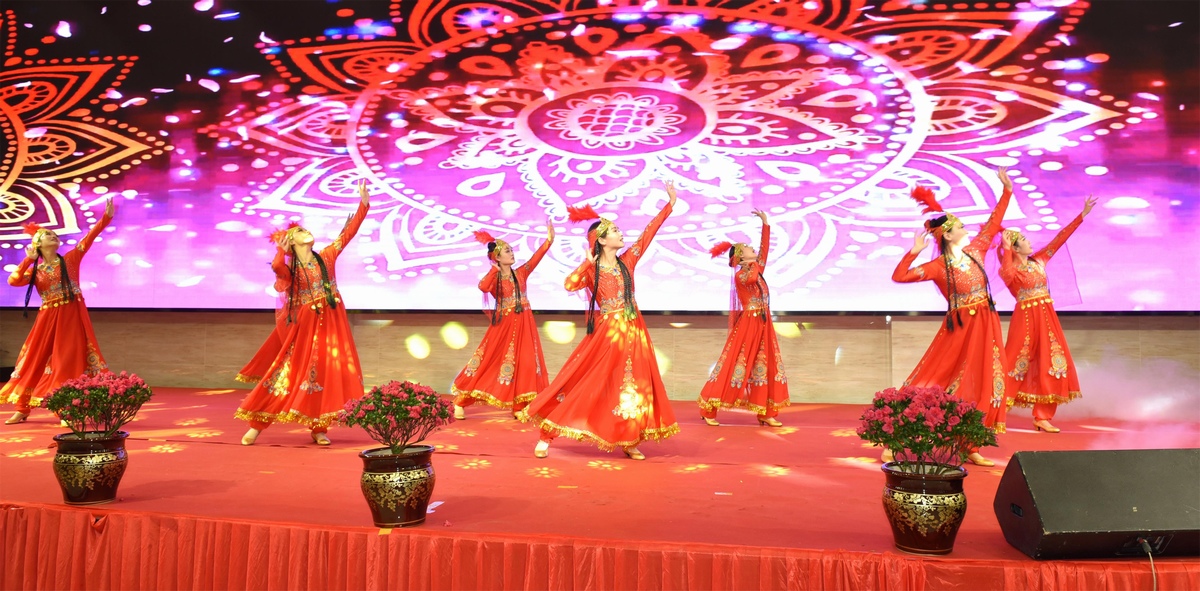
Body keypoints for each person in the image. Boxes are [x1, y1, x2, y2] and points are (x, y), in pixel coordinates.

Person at [519, 181, 680, 460]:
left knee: (633, 382)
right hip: (607, 334)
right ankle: (547, 433)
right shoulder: (591, 269)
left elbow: (648, 233)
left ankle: (629, 438)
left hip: (633, 331)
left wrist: (670, 205)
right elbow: (570, 284)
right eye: (615, 230)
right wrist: (586, 263)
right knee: (586, 382)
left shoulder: (627, 261)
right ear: (602, 240)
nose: (621, 233)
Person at [891, 167, 1015, 466]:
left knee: (985, 377)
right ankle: (897, 435)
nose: (965, 228)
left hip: (986, 322)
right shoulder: (936, 267)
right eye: (959, 226)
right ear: (947, 234)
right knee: (939, 377)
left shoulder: (977, 249)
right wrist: (914, 251)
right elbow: (900, 276)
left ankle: (970, 444)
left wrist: (1007, 191)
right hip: (960, 327)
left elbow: (994, 220)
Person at [235, 180, 370, 446]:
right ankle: (257, 424)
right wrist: (280, 250)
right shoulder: (290, 268)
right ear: (290, 241)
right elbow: (277, 269)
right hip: (304, 328)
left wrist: (363, 204)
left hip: (331, 325)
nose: (305, 231)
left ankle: (319, 428)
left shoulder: (327, 256)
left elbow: (348, 233)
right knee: (287, 372)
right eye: (298, 231)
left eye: (305, 228)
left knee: (325, 373)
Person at [3, 200, 115, 424]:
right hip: (46, 318)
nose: (53, 236)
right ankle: (23, 407)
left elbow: (88, 239)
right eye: (48, 235)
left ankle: (67, 408)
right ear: (38, 243)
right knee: (33, 359)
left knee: (67, 360)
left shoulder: (70, 260)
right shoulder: (36, 271)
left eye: (54, 234)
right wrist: (28, 260)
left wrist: (106, 218)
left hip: (70, 317)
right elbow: (13, 281)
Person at [998, 195, 1096, 433]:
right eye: (1024, 241)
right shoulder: (1008, 270)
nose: (1029, 242)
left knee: (1052, 361)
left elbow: (1059, 239)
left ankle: (1042, 416)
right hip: (1025, 319)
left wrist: (1081, 216)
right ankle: (996, 413)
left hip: (1046, 318)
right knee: (1015, 362)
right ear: (1015, 248)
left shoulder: (1039, 261)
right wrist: (1006, 247)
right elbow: (1007, 272)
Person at [451, 222, 554, 419]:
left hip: (524, 324)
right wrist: (494, 270)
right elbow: (483, 287)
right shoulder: (495, 278)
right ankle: (461, 401)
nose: (512, 253)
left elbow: (536, 258)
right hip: (504, 327)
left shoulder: (521, 273)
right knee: (489, 362)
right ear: (497, 257)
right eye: (507, 251)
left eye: (511, 250)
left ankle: (518, 406)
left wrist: (549, 241)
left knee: (525, 363)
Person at [697, 209, 789, 426]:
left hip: (763, 323)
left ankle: (766, 412)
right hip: (749, 324)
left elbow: (764, 250)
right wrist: (755, 263)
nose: (752, 248)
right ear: (740, 256)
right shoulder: (742, 275)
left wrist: (766, 224)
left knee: (766, 364)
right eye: (747, 248)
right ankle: (708, 408)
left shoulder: (756, 267)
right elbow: (753, 277)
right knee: (734, 363)